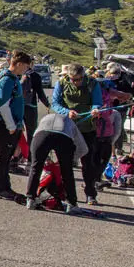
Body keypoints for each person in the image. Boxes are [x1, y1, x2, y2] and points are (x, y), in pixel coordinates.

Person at [51, 62, 105, 205]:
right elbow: (55, 103)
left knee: (88, 162)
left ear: (83, 76)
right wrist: (66, 112)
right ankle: (66, 193)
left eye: (79, 79)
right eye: (73, 79)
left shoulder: (92, 84)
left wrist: (95, 109)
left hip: (87, 128)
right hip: (67, 128)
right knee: (66, 161)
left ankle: (90, 193)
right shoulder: (61, 83)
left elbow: (98, 102)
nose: (76, 82)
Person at [25, 110, 88, 213]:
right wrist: (70, 160)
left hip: (41, 135)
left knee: (35, 167)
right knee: (67, 171)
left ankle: (30, 199)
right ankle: (72, 204)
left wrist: (45, 159)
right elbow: (83, 149)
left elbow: (35, 144)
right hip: (63, 137)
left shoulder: (45, 118)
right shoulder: (71, 123)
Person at [0, 50, 31, 201]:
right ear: (19, 64)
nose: (26, 69)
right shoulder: (7, 80)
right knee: (2, 157)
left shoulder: (13, 79)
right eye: (26, 66)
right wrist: (11, 126)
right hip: (6, 126)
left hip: (12, 124)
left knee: (6, 158)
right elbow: (3, 105)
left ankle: (5, 187)